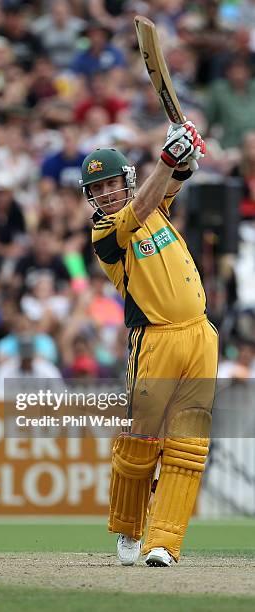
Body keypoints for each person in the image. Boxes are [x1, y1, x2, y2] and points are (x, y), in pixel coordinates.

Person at [83, 123, 218, 567]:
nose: (105, 194)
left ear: (127, 180)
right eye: (96, 188)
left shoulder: (155, 202)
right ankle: (127, 525)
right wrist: (168, 157)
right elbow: (140, 208)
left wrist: (185, 157)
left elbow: (175, 180)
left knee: (188, 446)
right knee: (142, 440)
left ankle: (163, 542)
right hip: (155, 339)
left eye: (110, 184)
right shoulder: (106, 233)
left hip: (200, 334)